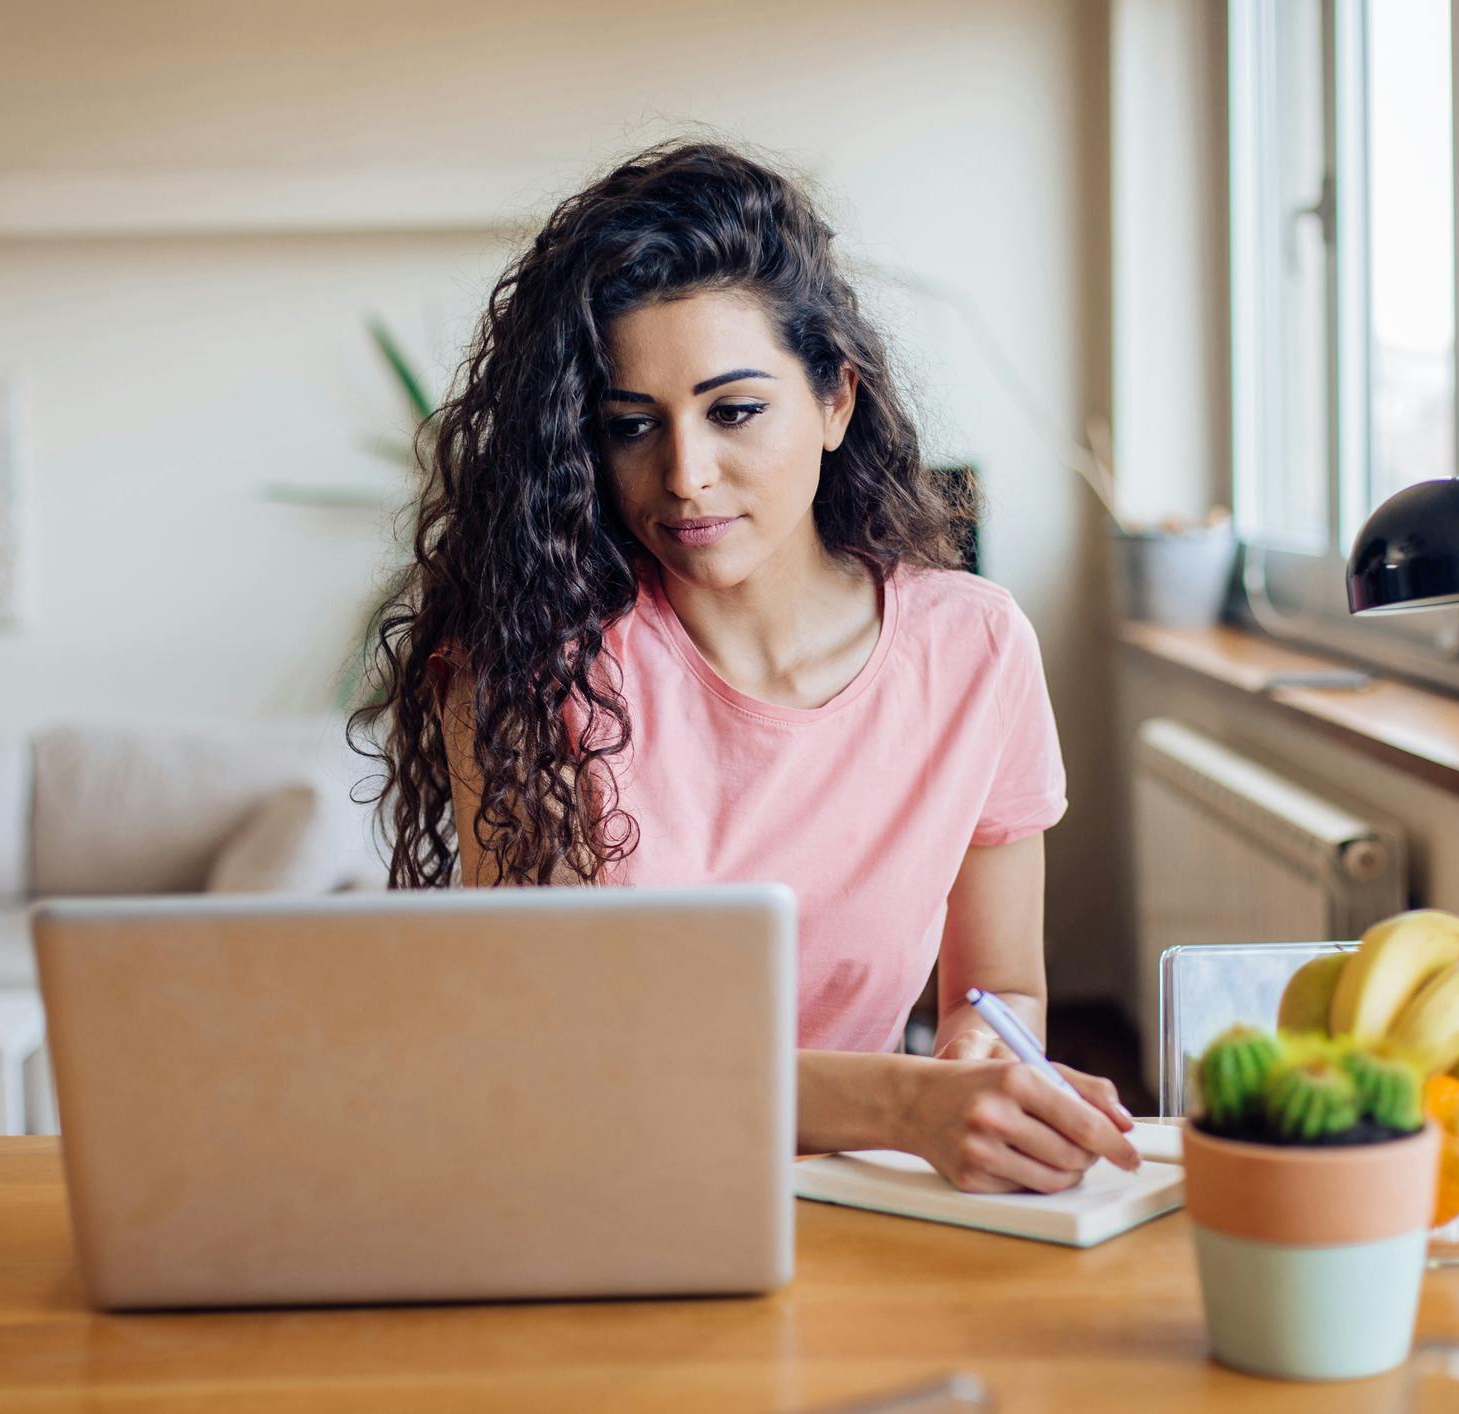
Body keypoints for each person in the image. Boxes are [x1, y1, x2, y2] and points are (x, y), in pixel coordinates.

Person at [353, 139, 1139, 1192]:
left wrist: (982, 1068)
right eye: (632, 426)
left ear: (835, 401)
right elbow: (568, 1053)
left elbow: (997, 990)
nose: (684, 475)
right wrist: (907, 1101)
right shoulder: (526, 661)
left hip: (860, 1198)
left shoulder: (976, 648)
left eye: (734, 411)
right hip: (588, 1191)